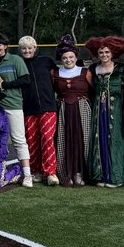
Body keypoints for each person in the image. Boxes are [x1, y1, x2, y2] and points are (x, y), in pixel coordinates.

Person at [0, 34, 34, 187]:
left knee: (19, 140)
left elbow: (26, 80)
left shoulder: (15, 60)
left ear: (5, 46)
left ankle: (27, 175)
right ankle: (0, 171)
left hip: (13, 105)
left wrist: (4, 84)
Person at [86, 36, 124, 188]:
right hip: (98, 109)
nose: (104, 55)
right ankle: (100, 175)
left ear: (112, 53)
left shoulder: (121, 69)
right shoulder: (93, 69)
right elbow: (91, 88)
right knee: (98, 139)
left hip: (116, 109)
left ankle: (115, 176)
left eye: (107, 52)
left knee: (115, 139)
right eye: (101, 52)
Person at [18, 35, 59, 186]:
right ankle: (35, 171)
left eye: (30, 48)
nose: (27, 51)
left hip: (48, 107)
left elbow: (57, 79)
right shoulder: (19, 63)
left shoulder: (46, 61)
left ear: (35, 48)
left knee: (47, 139)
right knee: (32, 141)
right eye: (23, 48)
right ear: (20, 50)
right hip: (28, 108)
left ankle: (50, 172)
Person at [53, 37, 93, 187]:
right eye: (64, 57)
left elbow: (94, 91)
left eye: (71, 57)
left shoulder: (85, 72)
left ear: (76, 57)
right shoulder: (55, 73)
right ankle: (66, 173)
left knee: (82, 141)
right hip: (63, 110)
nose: (68, 60)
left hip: (82, 110)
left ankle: (80, 173)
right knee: (64, 141)